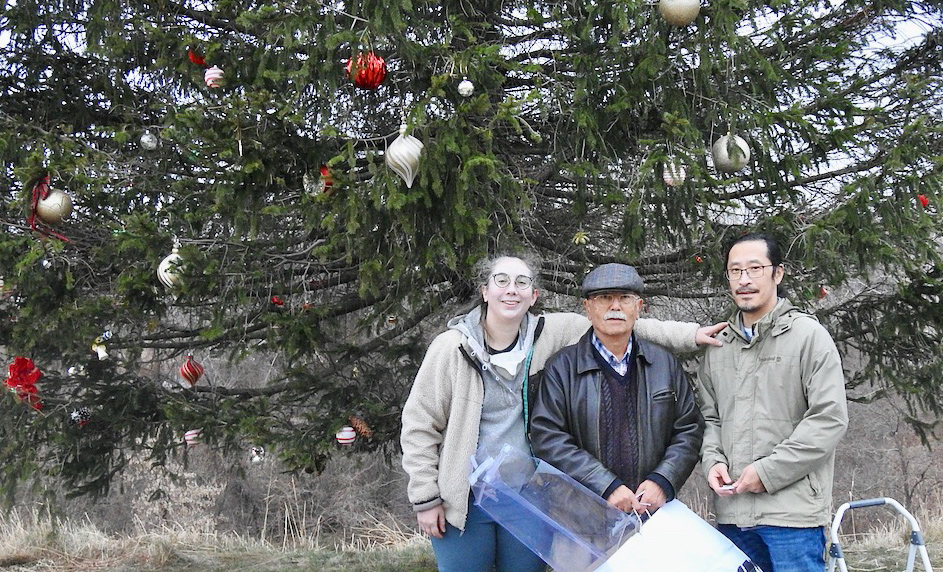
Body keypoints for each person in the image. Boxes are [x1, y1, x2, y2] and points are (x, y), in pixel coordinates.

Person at [401, 254, 722, 572]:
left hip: (528, 496)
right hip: (464, 498)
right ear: (485, 291)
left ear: (534, 295)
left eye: (522, 282)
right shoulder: (451, 348)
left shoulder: (549, 334)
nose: (511, 289)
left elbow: (623, 323)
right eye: (502, 281)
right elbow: (419, 425)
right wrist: (426, 498)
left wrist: (690, 335)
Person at [696, 232, 848, 572]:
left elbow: (829, 420)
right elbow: (709, 418)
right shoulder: (718, 346)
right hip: (732, 515)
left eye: (754, 268)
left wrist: (766, 473)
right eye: (735, 271)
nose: (744, 280)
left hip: (793, 517)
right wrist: (713, 461)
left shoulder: (809, 337)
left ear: (778, 273)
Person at [530, 263, 704, 520]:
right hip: (582, 516)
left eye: (625, 298)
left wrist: (663, 479)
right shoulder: (562, 368)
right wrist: (606, 486)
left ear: (639, 307)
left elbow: (688, 429)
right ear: (587, 308)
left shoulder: (664, 364)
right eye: (604, 298)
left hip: (653, 515)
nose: (615, 307)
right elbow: (548, 437)